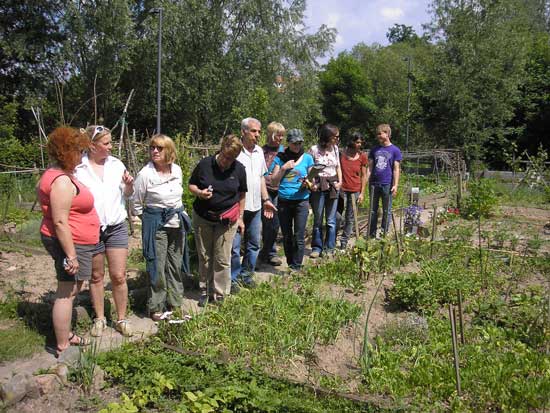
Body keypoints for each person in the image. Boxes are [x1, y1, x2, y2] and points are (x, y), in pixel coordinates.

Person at [38, 126, 99, 356]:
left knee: (71, 289)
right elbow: (61, 222)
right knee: (66, 292)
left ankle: (66, 334)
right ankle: (63, 343)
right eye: (79, 151)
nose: (81, 156)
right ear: (67, 152)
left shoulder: (58, 174)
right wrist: (71, 255)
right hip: (69, 242)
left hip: (75, 241)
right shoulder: (61, 181)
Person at [75, 125, 134, 337]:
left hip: (116, 226)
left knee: (118, 275)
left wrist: (129, 186)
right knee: (96, 276)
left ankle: (121, 318)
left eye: (111, 142)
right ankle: (100, 318)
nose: (111, 147)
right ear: (92, 146)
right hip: (91, 228)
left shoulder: (116, 165)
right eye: (106, 143)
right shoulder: (78, 169)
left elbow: (127, 195)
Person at [132, 134, 190, 321]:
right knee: (157, 266)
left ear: (169, 151)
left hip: (176, 222)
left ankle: (175, 303)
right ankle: (156, 306)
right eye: (152, 147)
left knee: (175, 264)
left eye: (159, 148)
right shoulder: (145, 174)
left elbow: (178, 197)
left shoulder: (177, 171)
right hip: (156, 225)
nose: (154, 151)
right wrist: (151, 220)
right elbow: (136, 203)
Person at [189, 135, 247, 306]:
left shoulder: (239, 169)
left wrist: (241, 218)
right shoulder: (205, 164)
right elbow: (191, 185)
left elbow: (242, 194)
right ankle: (205, 291)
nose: (226, 161)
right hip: (203, 217)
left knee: (222, 257)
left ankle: (220, 294)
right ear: (220, 150)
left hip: (227, 219)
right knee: (205, 256)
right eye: (225, 156)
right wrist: (200, 193)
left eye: (231, 158)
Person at [230, 118, 276, 292]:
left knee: (254, 243)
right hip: (236, 207)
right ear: (243, 132)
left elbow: (261, 178)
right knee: (234, 246)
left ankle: (246, 275)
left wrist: (266, 200)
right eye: (253, 131)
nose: (257, 135)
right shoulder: (235, 152)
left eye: (259, 131)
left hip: (256, 206)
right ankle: (232, 279)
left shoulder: (258, 152)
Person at [270, 129, 314, 270]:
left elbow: (313, 181)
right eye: (295, 143)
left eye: (300, 143)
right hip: (284, 201)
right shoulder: (281, 157)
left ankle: (297, 266)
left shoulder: (307, 158)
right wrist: (283, 168)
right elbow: (274, 182)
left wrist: (308, 183)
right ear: (288, 143)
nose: (297, 146)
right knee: (287, 235)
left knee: (299, 235)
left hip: (301, 200)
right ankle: (290, 264)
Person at [308, 123, 342, 257]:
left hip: (333, 185)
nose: (337, 139)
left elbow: (338, 167)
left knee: (331, 220)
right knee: (318, 219)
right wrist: (311, 184)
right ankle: (317, 248)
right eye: (336, 137)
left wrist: (340, 182)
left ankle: (330, 248)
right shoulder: (314, 150)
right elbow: (309, 169)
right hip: (318, 186)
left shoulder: (335, 149)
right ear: (328, 136)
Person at [368, 124, 402, 238]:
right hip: (374, 184)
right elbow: (370, 168)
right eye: (377, 134)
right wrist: (366, 182)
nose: (378, 136)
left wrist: (395, 185)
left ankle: (383, 234)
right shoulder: (374, 150)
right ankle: (371, 234)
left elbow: (396, 169)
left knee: (387, 210)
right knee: (373, 210)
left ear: (387, 134)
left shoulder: (395, 150)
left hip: (387, 184)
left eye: (380, 134)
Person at [258, 121, 285, 267]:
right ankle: (267, 252)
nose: (280, 138)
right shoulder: (261, 151)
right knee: (267, 223)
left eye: (282, 136)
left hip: (279, 191)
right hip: (264, 190)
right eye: (278, 135)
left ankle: (268, 251)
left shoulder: (284, 152)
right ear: (271, 134)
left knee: (275, 224)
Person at [339, 131, 369, 249]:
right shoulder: (342, 154)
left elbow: (364, 176)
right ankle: (332, 238)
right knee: (337, 216)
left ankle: (344, 241)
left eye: (361, 143)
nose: (359, 145)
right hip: (342, 189)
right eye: (357, 142)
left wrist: (362, 193)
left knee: (350, 217)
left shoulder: (362, 156)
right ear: (352, 141)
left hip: (355, 189)